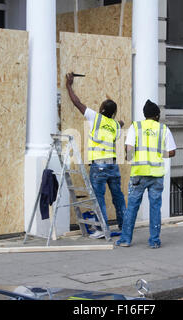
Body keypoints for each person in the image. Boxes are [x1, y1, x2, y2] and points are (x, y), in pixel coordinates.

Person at [65, 73, 126, 239]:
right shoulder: (115, 125)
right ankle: (125, 227)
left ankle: (102, 229)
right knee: (118, 197)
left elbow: (77, 103)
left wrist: (69, 86)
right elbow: (118, 129)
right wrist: (120, 123)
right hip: (113, 166)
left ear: (102, 110)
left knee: (98, 199)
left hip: (98, 166)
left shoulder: (95, 117)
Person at [115, 100, 176, 248]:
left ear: (144, 115)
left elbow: (129, 150)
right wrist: (157, 153)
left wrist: (131, 157)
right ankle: (154, 241)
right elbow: (172, 152)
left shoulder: (136, 127)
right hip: (156, 175)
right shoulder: (163, 129)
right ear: (157, 115)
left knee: (132, 207)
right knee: (155, 208)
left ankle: (125, 240)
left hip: (138, 174)